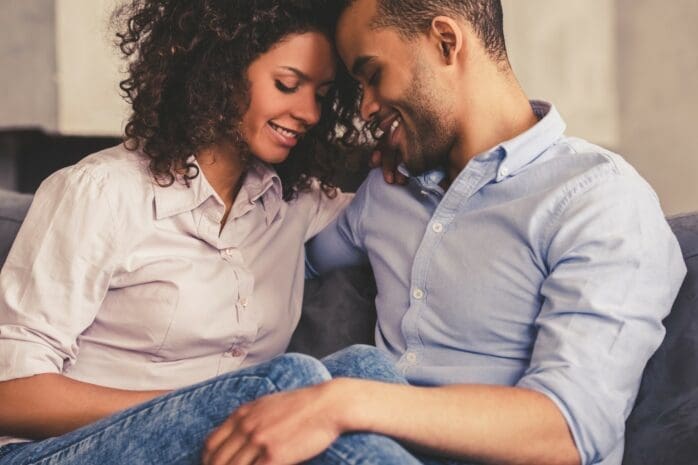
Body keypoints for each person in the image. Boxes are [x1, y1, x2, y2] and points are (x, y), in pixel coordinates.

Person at [197, 1, 688, 465]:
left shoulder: (596, 197)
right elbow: (277, 259)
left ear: (445, 42)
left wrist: (343, 402)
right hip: (362, 447)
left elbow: (569, 428)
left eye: (372, 75)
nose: (364, 107)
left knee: (338, 374)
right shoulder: (386, 192)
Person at [0, 0, 364, 463]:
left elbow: (400, 209)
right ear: (220, 72)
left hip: (215, 449)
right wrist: (191, 408)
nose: (310, 112)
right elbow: (9, 394)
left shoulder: (292, 201)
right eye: (287, 85)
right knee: (285, 385)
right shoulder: (101, 191)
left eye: (323, 94)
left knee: (360, 370)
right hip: (54, 452)